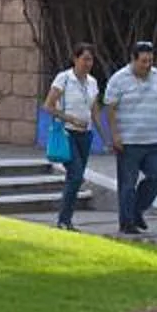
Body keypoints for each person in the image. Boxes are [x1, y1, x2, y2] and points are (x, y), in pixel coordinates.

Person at [97, 39, 157, 236]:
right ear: (133, 60)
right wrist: (115, 136)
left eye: (150, 61)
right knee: (127, 184)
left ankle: (137, 210)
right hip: (129, 141)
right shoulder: (118, 79)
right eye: (143, 61)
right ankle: (127, 223)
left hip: (154, 139)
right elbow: (110, 109)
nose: (147, 66)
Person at [40, 42, 102, 231]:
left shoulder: (92, 82)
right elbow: (48, 106)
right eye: (84, 59)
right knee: (75, 175)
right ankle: (63, 220)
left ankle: (66, 219)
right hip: (68, 133)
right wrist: (71, 119)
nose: (88, 63)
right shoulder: (64, 79)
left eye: (90, 59)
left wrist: (105, 136)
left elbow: (94, 110)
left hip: (86, 135)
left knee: (76, 177)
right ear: (75, 59)